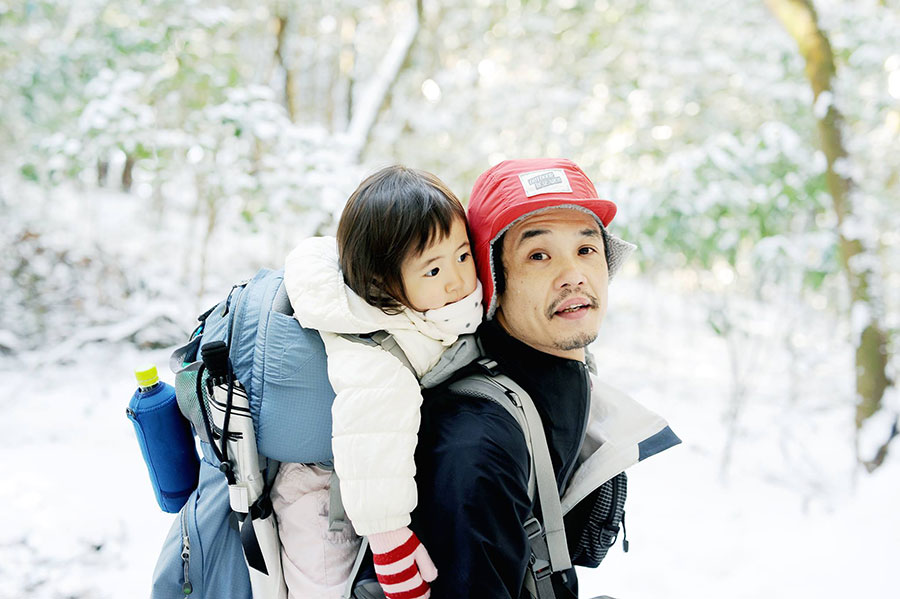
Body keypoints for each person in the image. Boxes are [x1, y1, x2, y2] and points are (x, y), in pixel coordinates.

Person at [410, 158, 680, 597]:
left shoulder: (547, 385)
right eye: (538, 255)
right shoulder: (478, 446)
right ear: (494, 279)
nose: (573, 276)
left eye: (586, 249)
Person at [273, 166, 484, 599]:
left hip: (360, 471)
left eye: (463, 256)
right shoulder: (376, 353)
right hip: (321, 488)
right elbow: (373, 442)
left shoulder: (420, 309)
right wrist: (392, 549)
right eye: (432, 270)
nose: (457, 279)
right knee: (323, 589)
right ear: (382, 284)